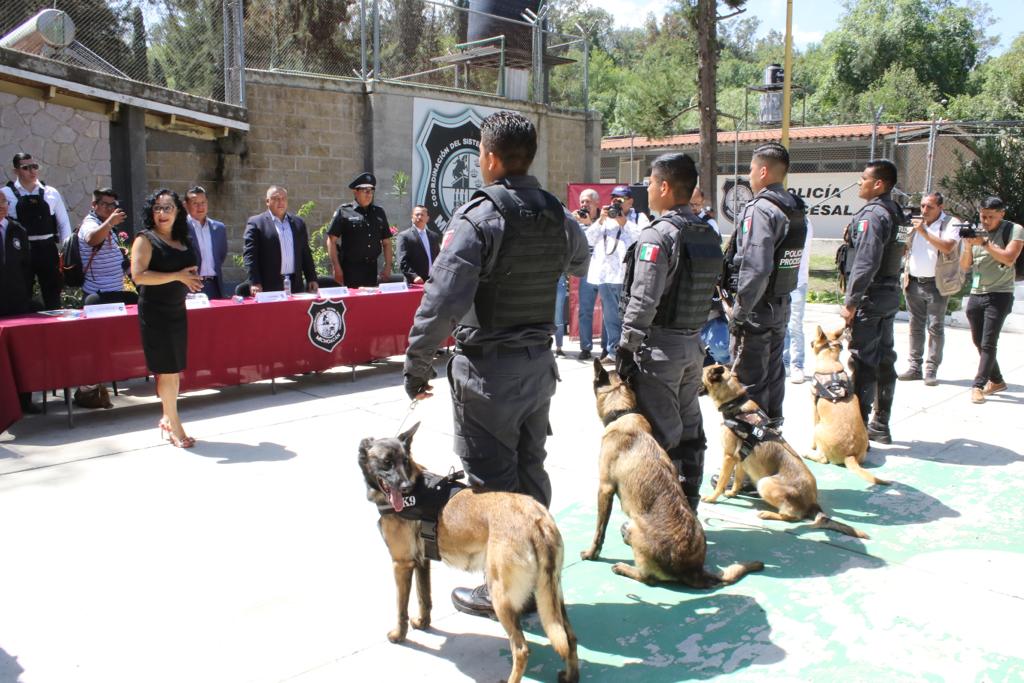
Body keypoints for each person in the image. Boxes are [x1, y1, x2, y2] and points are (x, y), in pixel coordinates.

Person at [402, 111, 589, 618]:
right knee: (530, 471)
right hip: (537, 367)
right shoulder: (556, 213)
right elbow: (580, 260)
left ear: (488, 158)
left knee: (492, 484)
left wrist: (417, 362)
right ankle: (538, 576)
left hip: (488, 374)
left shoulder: (479, 218)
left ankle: (506, 589)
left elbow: (441, 300)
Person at [617, 152, 722, 511]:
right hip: (693, 346)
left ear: (664, 186)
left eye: (649, 182)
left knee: (660, 438)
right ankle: (689, 506)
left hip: (659, 349)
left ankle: (664, 518)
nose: (647, 189)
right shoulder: (706, 232)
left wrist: (626, 347)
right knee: (691, 430)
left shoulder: (658, 235)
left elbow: (644, 299)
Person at [729, 142, 808, 425]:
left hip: (757, 309)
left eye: (751, 170)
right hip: (780, 303)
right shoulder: (793, 207)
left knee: (747, 383)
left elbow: (756, 266)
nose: (749, 176)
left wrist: (740, 312)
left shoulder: (761, 209)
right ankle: (772, 441)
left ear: (763, 171)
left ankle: (749, 459)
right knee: (774, 375)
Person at [839, 160, 911, 444]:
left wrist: (851, 301)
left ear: (879, 184)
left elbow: (866, 261)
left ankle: (860, 431)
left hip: (871, 295)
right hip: (889, 292)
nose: (860, 182)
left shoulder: (873, 215)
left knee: (863, 361)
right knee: (884, 358)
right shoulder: (899, 215)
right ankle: (881, 424)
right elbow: (903, 248)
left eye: (864, 178)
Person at [130, 189, 203, 448]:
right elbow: (138, 276)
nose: (162, 213)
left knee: (172, 370)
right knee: (168, 371)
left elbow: (189, 268)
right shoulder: (145, 239)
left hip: (177, 309)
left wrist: (190, 280)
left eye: (168, 207)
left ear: (178, 211)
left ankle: (166, 417)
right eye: (158, 208)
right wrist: (178, 277)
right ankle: (176, 427)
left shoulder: (182, 238)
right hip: (155, 312)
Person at [958, 196, 1023, 404]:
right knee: (978, 341)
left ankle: (978, 385)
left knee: (988, 343)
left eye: (990, 217)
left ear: (1002, 214)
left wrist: (984, 243)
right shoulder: (977, 230)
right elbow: (965, 265)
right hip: (977, 292)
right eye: (982, 216)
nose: (985, 221)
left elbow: (1009, 257)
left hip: (1000, 293)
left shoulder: (1014, 230)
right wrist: (969, 246)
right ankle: (997, 380)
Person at [898, 192, 961, 386]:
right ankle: (914, 367)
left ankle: (931, 369)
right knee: (915, 326)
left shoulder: (950, 223)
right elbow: (904, 248)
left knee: (935, 327)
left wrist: (924, 231)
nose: (924, 210)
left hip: (936, 284)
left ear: (940, 208)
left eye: (930, 207)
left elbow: (948, 247)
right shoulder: (915, 224)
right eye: (923, 206)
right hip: (914, 281)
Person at [1, 153, 72, 309]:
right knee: (21, 293)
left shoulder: (51, 192)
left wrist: (65, 253)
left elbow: (64, 223)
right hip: (20, 250)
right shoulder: (5, 194)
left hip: (47, 248)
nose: (32, 171)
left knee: (53, 293)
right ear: (16, 171)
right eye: (25, 168)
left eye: (34, 166)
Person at [585, 192, 639, 361]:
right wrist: (600, 220)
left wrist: (624, 223)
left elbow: (640, 239)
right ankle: (614, 352)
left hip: (624, 277)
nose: (616, 203)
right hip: (605, 276)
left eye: (620, 200)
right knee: (610, 318)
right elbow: (589, 239)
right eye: (613, 199)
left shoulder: (638, 217)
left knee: (626, 317)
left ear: (630, 201)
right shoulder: (606, 219)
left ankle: (628, 352)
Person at [0, 193, 41, 414]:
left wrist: (25, 292)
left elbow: (27, 266)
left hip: (17, 302)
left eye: (4, 203)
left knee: (20, 354)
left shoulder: (17, 230)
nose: (1, 207)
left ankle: (24, 401)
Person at [243, 186, 318, 295]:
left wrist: (311, 278)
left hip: (296, 284)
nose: (281, 201)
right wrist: (255, 281)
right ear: (267, 201)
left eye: (283, 198)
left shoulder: (298, 223)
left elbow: (305, 252)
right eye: (276, 198)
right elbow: (250, 256)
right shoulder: (256, 223)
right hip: (269, 285)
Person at [326, 172, 393, 287]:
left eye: (371, 191)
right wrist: (336, 267)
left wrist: (388, 266)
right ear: (355, 191)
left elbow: (386, 242)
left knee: (370, 303)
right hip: (350, 269)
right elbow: (331, 240)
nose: (369, 194)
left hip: (371, 269)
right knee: (352, 303)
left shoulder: (379, 212)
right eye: (365, 191)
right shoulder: (344, 211)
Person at [78, 188, 136, 306]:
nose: (110, 208)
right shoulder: (90, 223)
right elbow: (92, 239)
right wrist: (110, 222)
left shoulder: (106, 225)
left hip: (115, 293)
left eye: (112, 204)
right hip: (98, 296)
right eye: (105, 204)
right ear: (94, 205)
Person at [783, 197, 814, 384]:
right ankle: (785, 362)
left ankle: (797, 365)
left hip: (797, 282)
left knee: (794, 325)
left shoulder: (804, 224)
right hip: (783, 282)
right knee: (783, 324)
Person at [184, 186, 228, 299]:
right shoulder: (180, 228)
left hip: (215, 285)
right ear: (186, 205)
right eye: (195, 203)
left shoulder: (219, 228)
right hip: (190, 286)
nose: (200, 207)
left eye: (203, 202)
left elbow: (221, 255)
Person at [575, 188, 603, 360]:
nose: (584, 205)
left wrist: (589, 224)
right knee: (585, 310)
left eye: (588, 201)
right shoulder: (577, 221)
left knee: (609, 310)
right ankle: (585, 347)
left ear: (596, 203)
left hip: (605, 270)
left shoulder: (606, 218)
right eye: (582, 201)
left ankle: (609, 348)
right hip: (586, 270)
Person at [395, 205, 440, 284]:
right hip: (414, 282)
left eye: (422, 215)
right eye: (417, 214)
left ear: (427, 218)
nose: (419, 217)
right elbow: (402, 261)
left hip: (432, 282)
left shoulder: (434, 236)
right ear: (412, 217)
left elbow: (438, 258)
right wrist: (414, 276)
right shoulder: (404, 236)